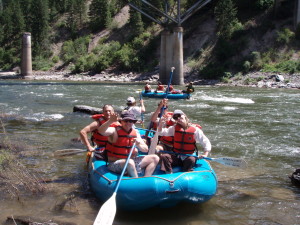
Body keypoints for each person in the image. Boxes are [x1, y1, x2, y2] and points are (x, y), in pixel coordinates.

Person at [98, 111, 159, 177]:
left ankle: (146, 178)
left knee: (155, 158)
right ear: (121, 121)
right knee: (130, 162)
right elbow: (101, 131)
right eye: (126, 121)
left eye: (130, 121)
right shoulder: (114, 130)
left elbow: (146, 149)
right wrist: (110, 121)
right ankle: (136, 182)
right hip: (115, 163)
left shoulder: (135, 133)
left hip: (131, 161)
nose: (128, 123)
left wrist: (138, 144)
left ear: (133, 122)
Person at [157, 109, 211, 174]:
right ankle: (169, 173)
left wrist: (205, 154)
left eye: (179, 116)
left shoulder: (195, 130)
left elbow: (205, 141)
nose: (178, 118)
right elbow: (161, 132)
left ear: (184, 116)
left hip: (188, 156)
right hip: (176, 156)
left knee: (191, 160)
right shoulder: (174, 128)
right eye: (176, 117)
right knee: (164, 156)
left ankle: (185, 173)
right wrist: (160, 124)